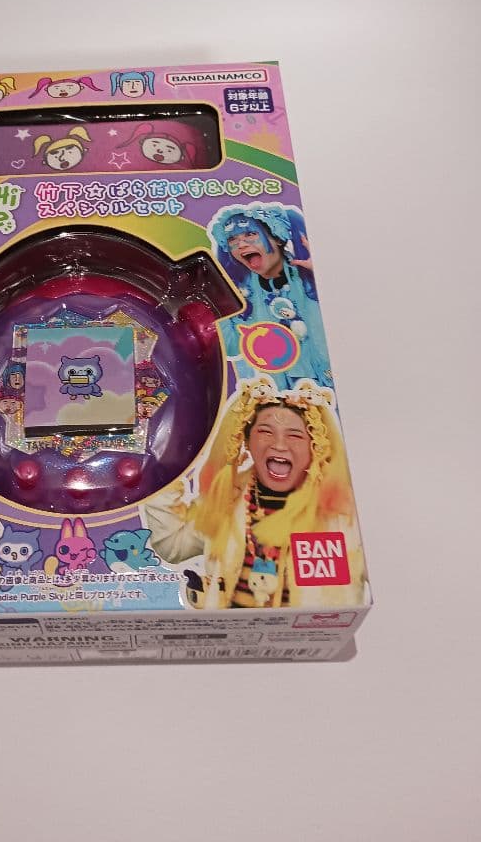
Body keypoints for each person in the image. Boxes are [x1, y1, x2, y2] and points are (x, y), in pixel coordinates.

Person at [145, 377, 366, 608]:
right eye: (265, 432)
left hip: (309, 627)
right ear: (247, 440)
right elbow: (172, 545)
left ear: (315, 445)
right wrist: (165, 467)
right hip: (232, 628)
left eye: (294, 435)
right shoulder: (227, 497)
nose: (279, 445)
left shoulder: (342, 511)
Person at [208, 201, 332, 390]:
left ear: (278, 238)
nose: (241, 244)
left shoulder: (308, 279)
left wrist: (325, 274)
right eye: (232, 239)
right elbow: (231, 348)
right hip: (273, 392)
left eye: (250, 234)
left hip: (327, 388)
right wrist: (218, 304)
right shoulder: (238, 295)